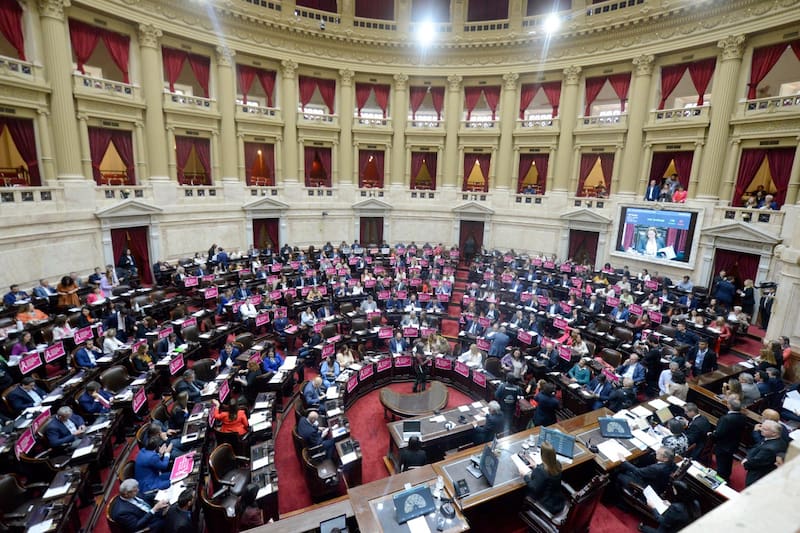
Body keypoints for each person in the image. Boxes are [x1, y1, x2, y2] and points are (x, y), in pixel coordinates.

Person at [518, 441, 566, 515]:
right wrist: (536, 466)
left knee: (522, 491)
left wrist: (524, 476)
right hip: (558, 501)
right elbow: (547, 473)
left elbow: (533, 487)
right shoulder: (557, 464)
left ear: (542, 455)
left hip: (548, 505)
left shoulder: (541, 470)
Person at [711, 395, 747, 482]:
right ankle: (726, 476)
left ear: (729, 406)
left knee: (721, 464)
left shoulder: (725, 419)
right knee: (728, 462)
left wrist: (712, 434)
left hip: (723, 446)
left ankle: (721, 480)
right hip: (734, 444)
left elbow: (719, 433)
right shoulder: (743, 417)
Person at [742, 420, 785, 487]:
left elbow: (756, 462)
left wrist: (745, 463)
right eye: (762, 427)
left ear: (774, 433)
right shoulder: (774, 439)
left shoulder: (769, 449)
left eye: (764, 429)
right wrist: (748, 457)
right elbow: (758, 446)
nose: (760, 429)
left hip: (757, 477)